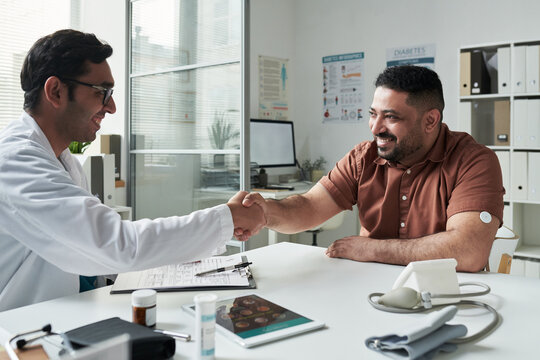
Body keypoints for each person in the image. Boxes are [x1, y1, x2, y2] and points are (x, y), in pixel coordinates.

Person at [0, 29, 264, 311]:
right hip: (19, 334)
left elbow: (91, 254)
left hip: (62, 315)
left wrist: (181, 253)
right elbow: (116, 244)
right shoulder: (15, 161)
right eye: (102, 92)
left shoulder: (64, 160)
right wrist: (226, 218)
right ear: (55, 91)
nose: (111, 107)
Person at [241, 65, 504, 273]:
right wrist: (266, 212)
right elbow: (310, 207)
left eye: (390, 117)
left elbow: (468, 251)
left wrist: (373, 250)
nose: (375, 127)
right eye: (372, 114)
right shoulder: (362, 158)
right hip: (372, 291)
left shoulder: (474, 161)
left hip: (448, 297)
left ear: (430, 120)